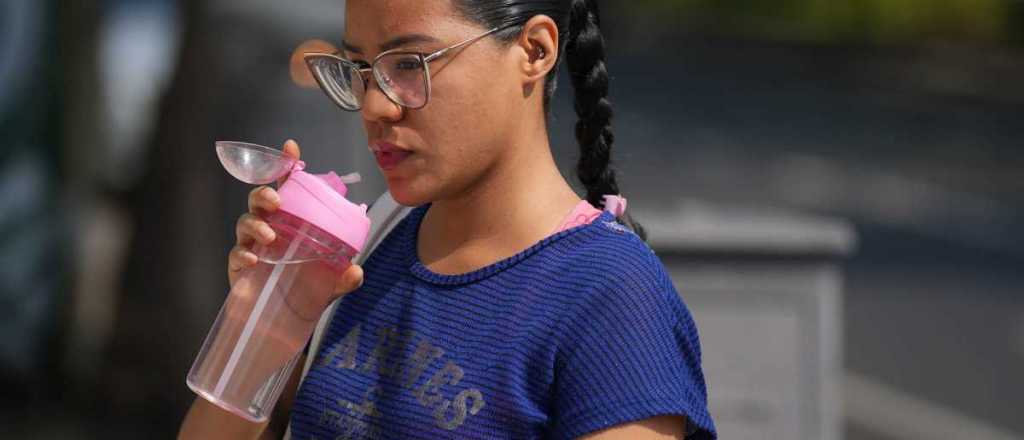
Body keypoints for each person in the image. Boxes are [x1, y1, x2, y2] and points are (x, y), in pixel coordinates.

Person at [179, 1, 716, 438]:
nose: (375, 106)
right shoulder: (370, 242)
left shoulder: (612, 297)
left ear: (534, 50)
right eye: (360, 70)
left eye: (408, 65)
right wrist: (264, 328)